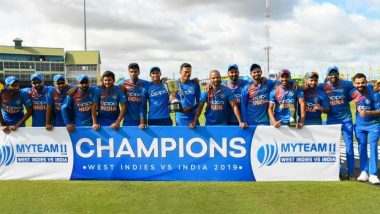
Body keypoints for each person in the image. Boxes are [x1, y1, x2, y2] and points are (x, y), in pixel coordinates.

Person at [318, 66, 355, 180]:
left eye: (335, 73)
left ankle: (351, 172)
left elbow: (360, 84)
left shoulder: (347, 84)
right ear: (327, 75)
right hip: (332, 120)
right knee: (334, 147)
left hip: (346, 120)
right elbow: (308, 87)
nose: (333, 76)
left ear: (338, 74)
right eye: (331, 74)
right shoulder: (322, 86)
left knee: (349, 146)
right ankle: (337, 171)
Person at [349, 73, 380, 184]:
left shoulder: (374, 94)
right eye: (358, 83)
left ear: (366, 82)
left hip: (374, 124)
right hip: (360, 125)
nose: (360, 85)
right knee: (361, 147)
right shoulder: (352, 92)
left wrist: (368, 112)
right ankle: (364, 172)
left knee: (373, 147)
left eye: (362, 82)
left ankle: (373, 174)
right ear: (354, 83)